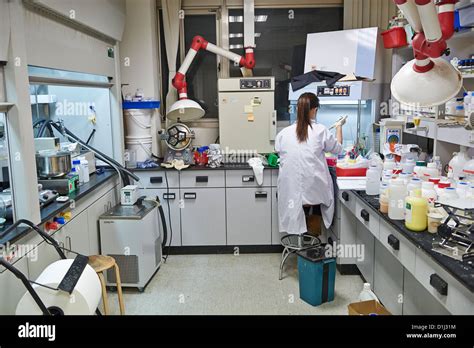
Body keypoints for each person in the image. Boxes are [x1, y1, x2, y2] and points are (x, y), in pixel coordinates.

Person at [275, 92, 345, 235]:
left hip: (290, 191)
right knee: (316, 197)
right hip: (315, 192)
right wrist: (339, 126)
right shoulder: (320, 130)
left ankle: (304, 242)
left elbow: (280, 152)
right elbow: (338, 149)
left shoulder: (283, 133)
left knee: (304, 198)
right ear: (314, 110)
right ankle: (313, 241)